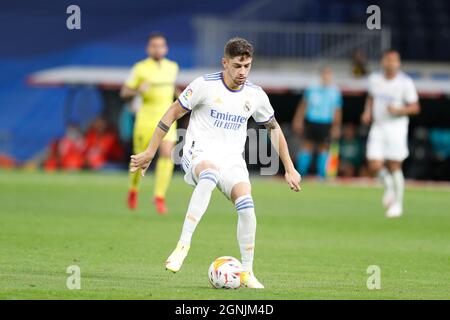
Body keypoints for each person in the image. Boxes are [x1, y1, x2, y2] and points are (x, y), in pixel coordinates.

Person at [129, 37, 301, 288]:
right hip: (198, 152)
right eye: (237, 66)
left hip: (232, 160)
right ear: (225, 63)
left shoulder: (255, 94)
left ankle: (248, 272)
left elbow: (273, 129)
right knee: (208, 174)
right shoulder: (204, 85)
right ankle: (182, 245)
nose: (242, 72)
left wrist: (290, 167)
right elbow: (172, 113)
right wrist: (150, 151)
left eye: (247, 66)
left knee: (247, 205)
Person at [120, 32, 179, 214]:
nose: (157, 49)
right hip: (145, 119)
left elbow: (170, 88)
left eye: (161, 45)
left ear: (166, 48)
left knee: (167, 154)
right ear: (148, 48)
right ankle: (133, 189)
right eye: (154, 45)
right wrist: (137, 89)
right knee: (140, 159)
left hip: (167, 118)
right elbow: (124, 92)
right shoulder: (140, 68)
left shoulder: (172, 67)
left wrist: (181, 95)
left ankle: (159, 196)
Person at [361, 49, 420, 218]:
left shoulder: (405, 83)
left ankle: (398, 205)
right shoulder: (375, 79)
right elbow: (371, 97)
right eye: (388, 60)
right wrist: (367, 111)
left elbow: (415, 107)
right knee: (374, 164)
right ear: (383, 62)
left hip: (396, 127)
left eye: (394, 61)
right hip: (378, 127)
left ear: (398, 63)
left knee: (394, 164)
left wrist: (399, 110)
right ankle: (389, 188)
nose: (391, 64)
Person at [291, 67, 343, 179]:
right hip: (312, 121)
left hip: (326, 122)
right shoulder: (312, 89)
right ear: (321, 75)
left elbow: (337, 110)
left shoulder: (335, 91)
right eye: (325, 74)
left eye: (328, 75)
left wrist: (336, 126)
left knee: (323, 148)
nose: (326, 77)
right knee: (306, 147)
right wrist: (298, 120)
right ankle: (300, 174)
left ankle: (321, 176)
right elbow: (303, 105)